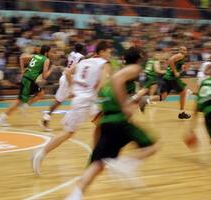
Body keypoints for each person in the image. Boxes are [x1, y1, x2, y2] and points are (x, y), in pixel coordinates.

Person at [65, 47, 158, 200]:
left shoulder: (116, 74)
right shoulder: (132, 69)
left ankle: (76, 194)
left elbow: (105, 90)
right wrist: (125, 105)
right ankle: (125, 164)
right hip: (118, 119)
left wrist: (136, 98)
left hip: (106, 120)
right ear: (139, 58)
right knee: (152, 146)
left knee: (98, 163)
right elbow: (118, 83)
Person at [32, 41, 113, 175]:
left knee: (102, 124)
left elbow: (68, 72)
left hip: (85, 100)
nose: (110, 54)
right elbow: (103, 85)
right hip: (85, 101)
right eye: (109, 51)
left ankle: (98, 158)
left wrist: (72, 88)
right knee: (68, 133)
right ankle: (40, 154)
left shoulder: (84, 61)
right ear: (102, 51)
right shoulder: (104, 64)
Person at [0, 45, 54, 126]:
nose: (51, 53)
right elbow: (44, 76)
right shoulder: (46, 60)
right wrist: (51, 70)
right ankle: (1, 117)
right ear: (47, 52)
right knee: (18, 101)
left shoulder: (35, 56)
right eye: (50, 51)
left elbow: (22, 57)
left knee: (41, 93)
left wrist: (22, 70)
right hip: (28, 80)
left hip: (29, 79)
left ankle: (25, 105)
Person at [40, 43, 85, 131]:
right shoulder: (81, 57)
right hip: (69, 79)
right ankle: (46, 119)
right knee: (59, 101)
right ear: (82, 50)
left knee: (78, 98)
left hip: (67, 78)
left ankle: (67, 120)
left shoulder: (71, 54)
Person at [160, 46, 191, 119]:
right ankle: (182, 113)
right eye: (182, 50)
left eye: (185, 50)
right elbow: (170, 60)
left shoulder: (181, 58)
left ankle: (146, 101)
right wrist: (175, 71)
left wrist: (181, 70)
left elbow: (173, 64)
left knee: (162, 97)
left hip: (167, 77)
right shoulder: (180, 55)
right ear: (179, 50)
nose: (183, 51)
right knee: (183, 92)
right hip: (172, 77)